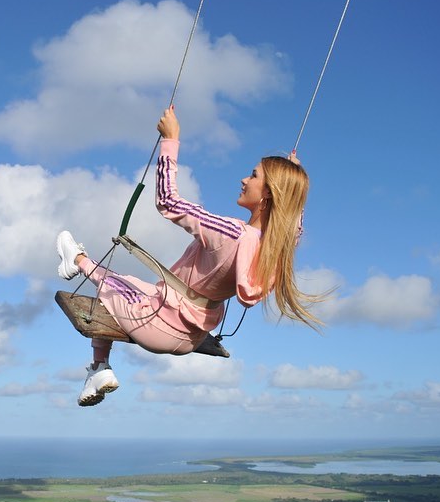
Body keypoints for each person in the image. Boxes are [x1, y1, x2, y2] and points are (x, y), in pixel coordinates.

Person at [56, 106, 322, 407]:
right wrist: (295, 184)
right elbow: (293, 226)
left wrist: (171, 139)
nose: (244, 180)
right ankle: (97, 369)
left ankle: (77, 260)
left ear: (268, 194)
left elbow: (169, 202)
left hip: (157, 324)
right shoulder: (278, 248)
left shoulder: (232, 233)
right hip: (192, 335)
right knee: (128, 282)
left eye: (253, 175)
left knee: (110, 287)